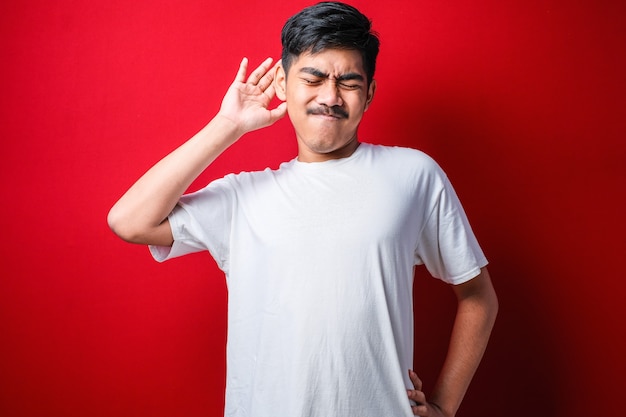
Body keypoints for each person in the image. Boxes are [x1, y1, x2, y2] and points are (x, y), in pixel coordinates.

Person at [108, 2, 498, 416]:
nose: (329, 97)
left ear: (369, 94)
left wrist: (442, 407)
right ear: (282, 81)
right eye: (312, 78)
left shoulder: (414, 175)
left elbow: (478, 297)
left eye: (348, 82)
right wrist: (228, 126)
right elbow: (129, 221)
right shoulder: (244, 197)